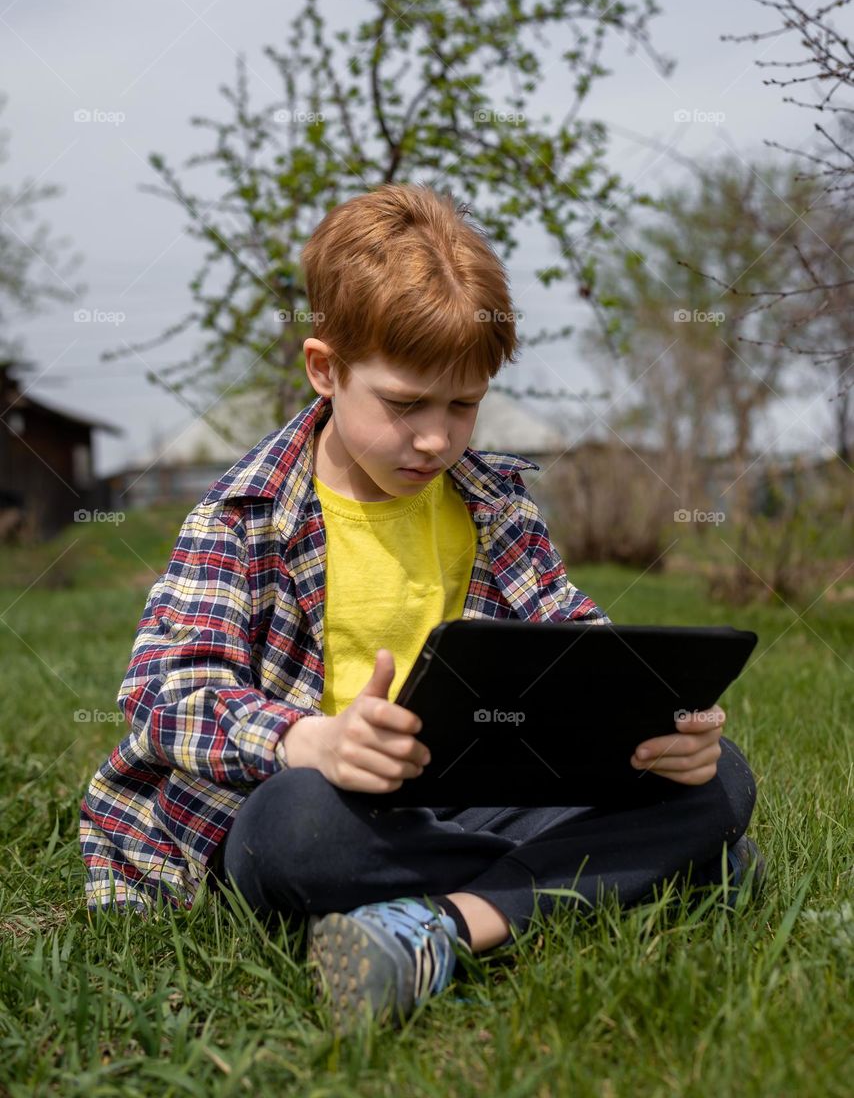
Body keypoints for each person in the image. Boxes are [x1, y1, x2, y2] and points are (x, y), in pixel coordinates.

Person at [79, 183, 764, 1035]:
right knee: (295, 833)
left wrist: (663, 717)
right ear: (325, 370)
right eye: (405, 406)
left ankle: (443, 926)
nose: (437, 439)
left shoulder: (493, 506)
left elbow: (578, 645)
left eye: (463, 405)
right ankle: (620, 874)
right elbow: (164, 697)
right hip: (329, 810)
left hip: (471, 798)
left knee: (721, 778)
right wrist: (308, 740)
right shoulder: (244, 516)